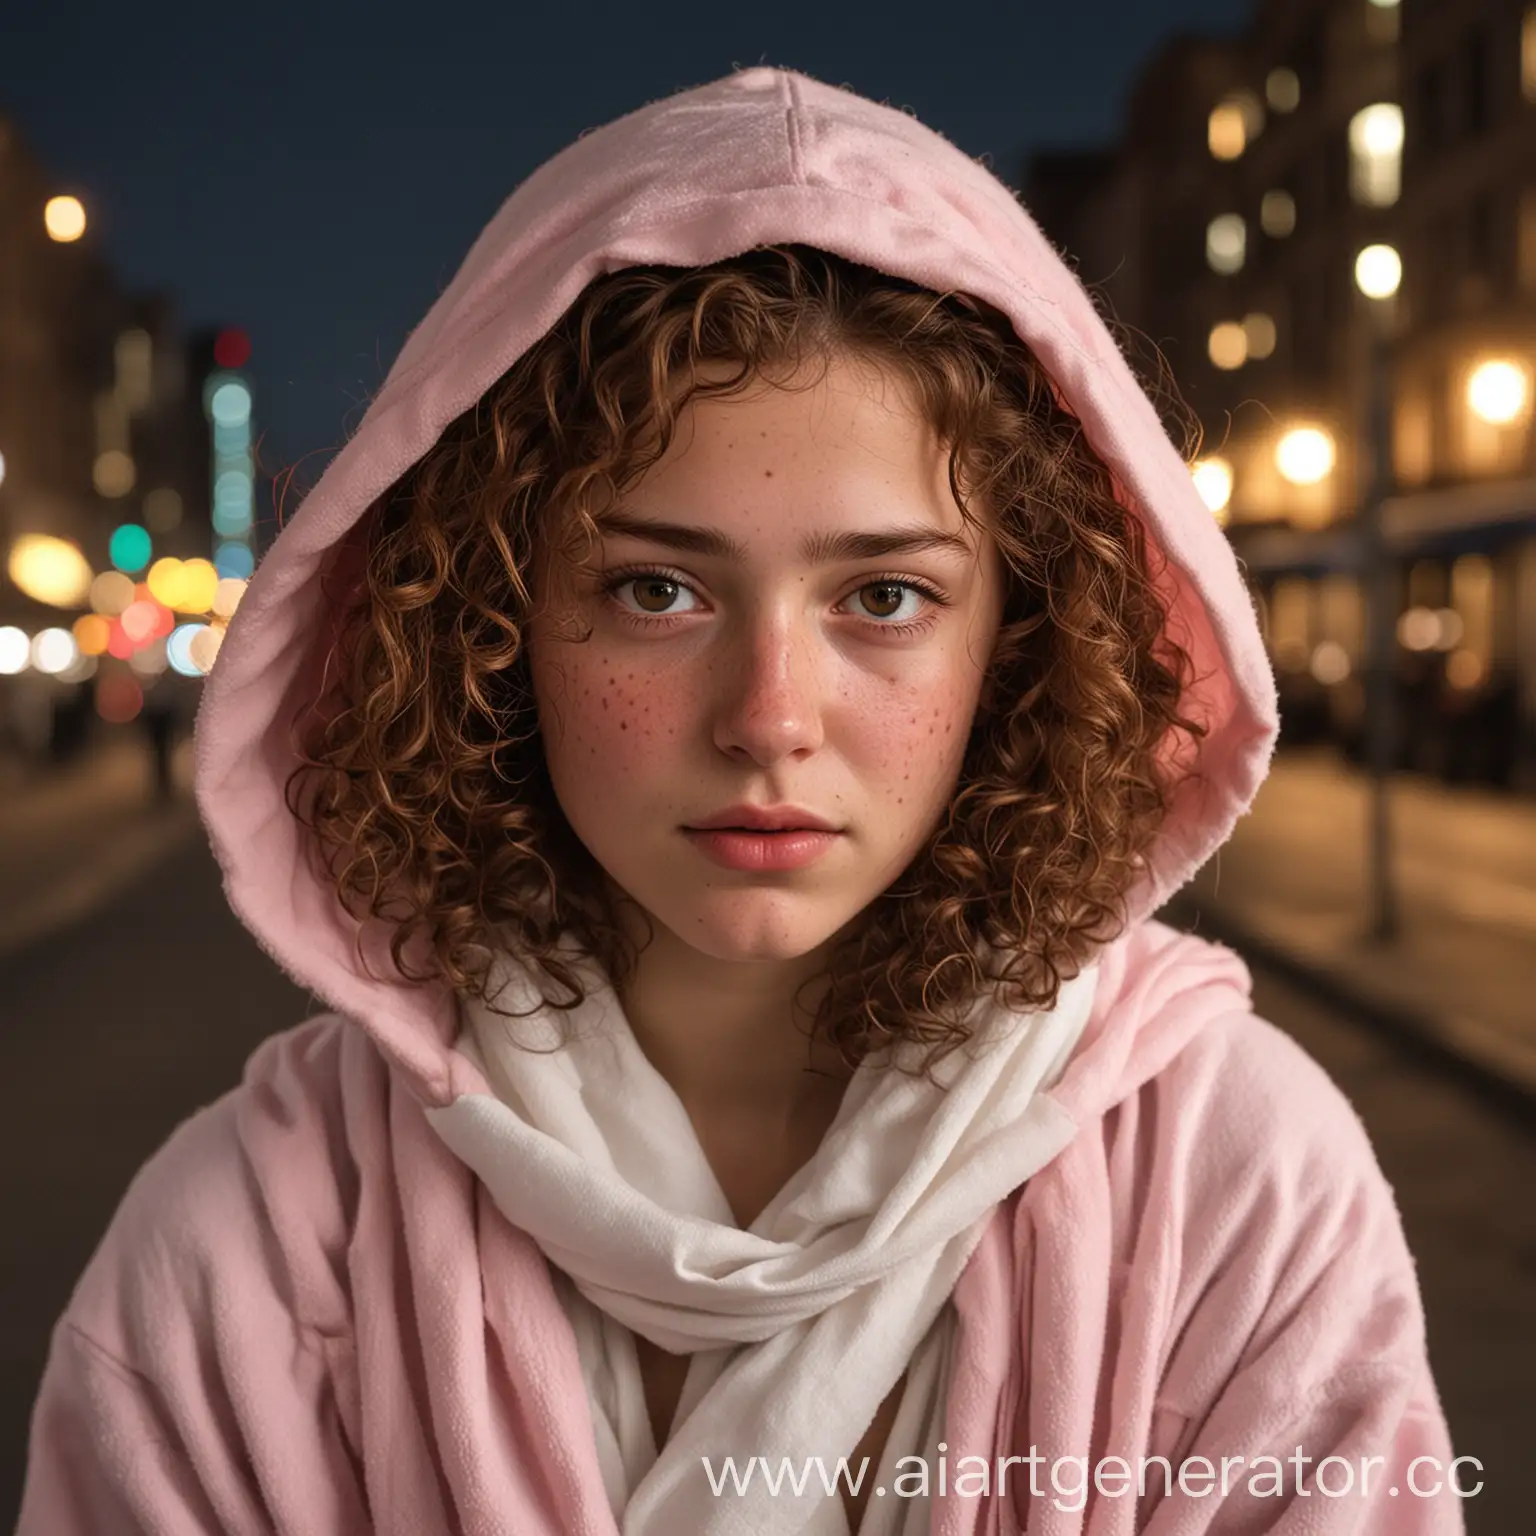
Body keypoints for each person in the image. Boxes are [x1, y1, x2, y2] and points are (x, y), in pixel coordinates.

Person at [17, 70, 1463, 1534]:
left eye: (886, 596)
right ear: (489, 625)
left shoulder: (1237, 1195)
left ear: (1018, 643)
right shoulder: (246, 1256)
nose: (770, 717)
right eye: (658, 591)